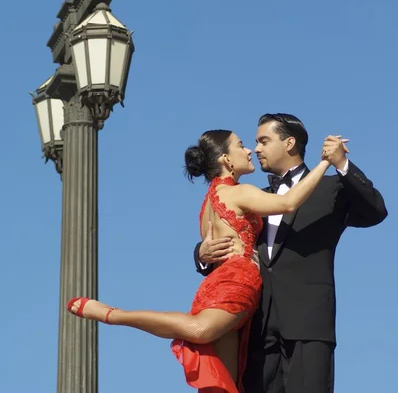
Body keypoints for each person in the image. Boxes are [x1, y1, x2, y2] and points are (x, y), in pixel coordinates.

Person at [67, 129, 333, 393]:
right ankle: (115, 315)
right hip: (237, 284)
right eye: (240, 146)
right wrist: (325, 163)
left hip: (215, 285)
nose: (249, 150)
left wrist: (204, 254)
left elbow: (211, 250)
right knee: (199, 329)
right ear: (226, 160)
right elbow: (288, 203)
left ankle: (116, 316)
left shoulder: (207, 203)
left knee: (226, 385)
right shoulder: (238, 193)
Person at [195, 114, 387, 393]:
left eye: (264, 141)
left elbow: (376, 211)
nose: (256, 148)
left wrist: (342, 165)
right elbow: (226, 237)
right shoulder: (254, 197)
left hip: (309, 324)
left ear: (289, 143)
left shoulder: (330, 188)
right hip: (258, 327)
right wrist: (201, 253)